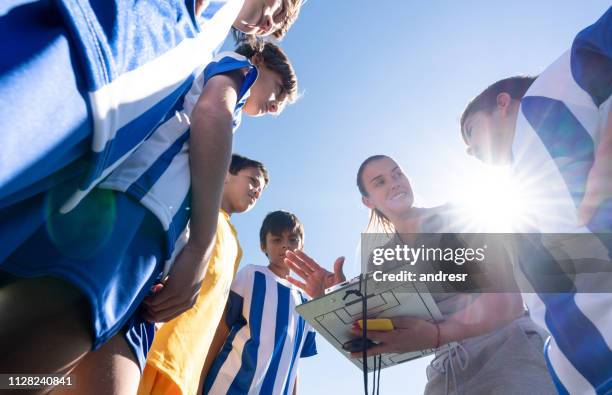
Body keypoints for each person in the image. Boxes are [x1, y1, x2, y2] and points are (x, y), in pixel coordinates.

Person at [0, 41, 297, 394]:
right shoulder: (234, 69)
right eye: (278, 89)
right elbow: (213, 114)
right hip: (135, 217)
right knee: (25, 369)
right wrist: (201, 246)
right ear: (259, 60)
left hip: (153, 258)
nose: (275, 105)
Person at [285, 155, 556, 394]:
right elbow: (383, 333)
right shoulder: (382, 263)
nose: (394, 183)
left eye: (397, 173)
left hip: (509, 350)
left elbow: (508, 304)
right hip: (447, 371)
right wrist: (336, 299)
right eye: (380, 182)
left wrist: (438, 334)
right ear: (368, 201)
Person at [460, 8, 612, 394]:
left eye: (470, 131)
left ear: (503, 103)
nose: (470, 150)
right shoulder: (516, 203)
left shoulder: (555, 87)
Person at [137, 154, 268, 395]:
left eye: (260, 190)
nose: (256, 191)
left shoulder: (236, 246)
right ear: (226, 173)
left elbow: (216, 312)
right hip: (149, 353)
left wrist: (199, 379)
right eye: (252, 181)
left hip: (185, 369)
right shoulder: (193, 209)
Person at [201, 210, 318, 395]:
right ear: (264, 245)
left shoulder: (306, 300)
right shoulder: (251, 275)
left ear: (302, 245)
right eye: (277, 240)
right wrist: (200, 380)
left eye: (293, 240)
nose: (285, 246)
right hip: (227, 387)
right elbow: (221, 330)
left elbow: (294, 360)